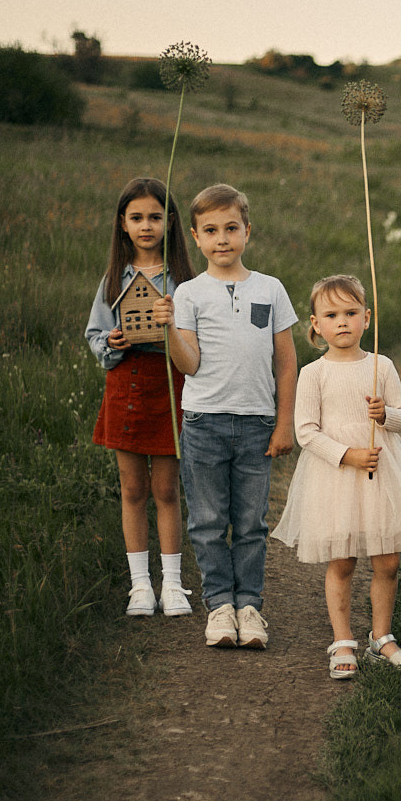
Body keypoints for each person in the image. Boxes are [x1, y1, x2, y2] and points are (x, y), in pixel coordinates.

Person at [272, 275, 401, 679]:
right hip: (336, 477)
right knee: (343, 560)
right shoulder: (314, 373)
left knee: (387, 561)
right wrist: (347, 454)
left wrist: (385, 415)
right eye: (331, 315)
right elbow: (306, 431)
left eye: (351, 313)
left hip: (382, 474)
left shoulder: (380, 365)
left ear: (368, 318)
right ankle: (343, 638)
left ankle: (381, 635)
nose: (342, 322)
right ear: (315, 325)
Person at [154, 184, 297, 650]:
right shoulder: (190, 294)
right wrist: (168, 328)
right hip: (204, 422)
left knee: (252, 521)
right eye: (210, 230)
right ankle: (219, 606)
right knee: (209, 519)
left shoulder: (270, 289)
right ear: (195, 237)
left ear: (247, 231)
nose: (222, 239)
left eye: (231, 228)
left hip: (256, 421)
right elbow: (188, 364)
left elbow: (286, 362)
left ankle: (249, 605)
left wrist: (284, 421)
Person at [86, 177, 195, 618]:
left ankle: (172, 584)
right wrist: (111, 342)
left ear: (169, 222)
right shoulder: (115, 278)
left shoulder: (184, 279)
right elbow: (95, 334)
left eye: (155, 216)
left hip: (169, 384)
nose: (146, 225)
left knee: (167, 489)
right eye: (137, 218)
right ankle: (139, 587)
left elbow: (194, 338)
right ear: (123, 224)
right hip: (125, 386)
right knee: (132, 489)